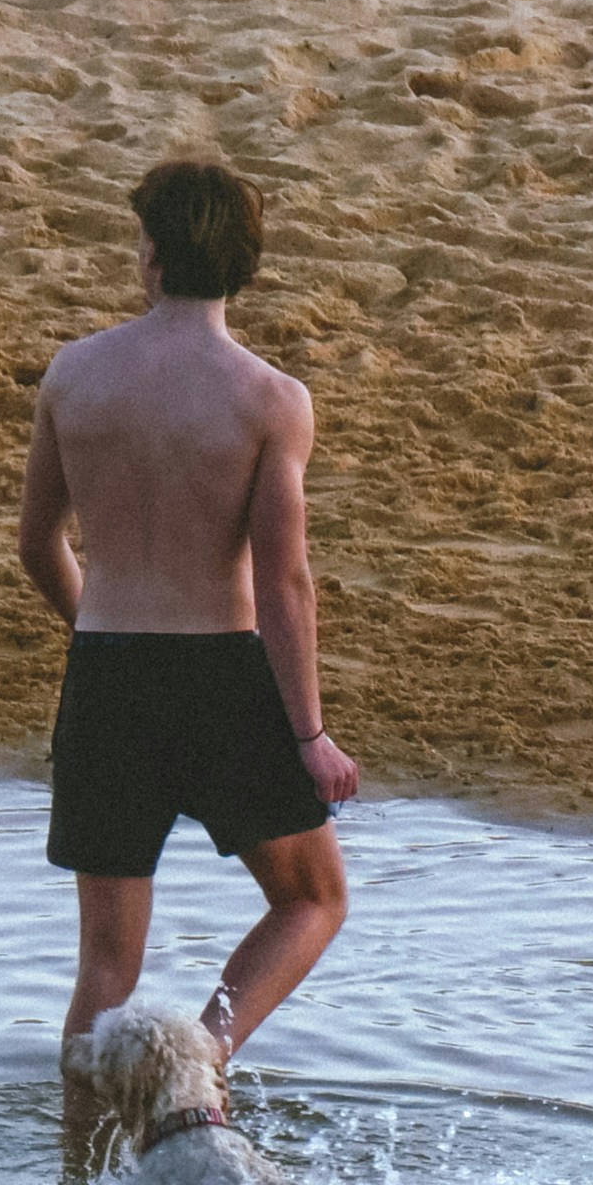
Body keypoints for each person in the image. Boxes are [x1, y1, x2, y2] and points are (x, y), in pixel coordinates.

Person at [20, 158, 358, 1113]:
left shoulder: (76, 374)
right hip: (222, 678)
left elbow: (36, 544)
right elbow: (282, 579)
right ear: (245, 265)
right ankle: (204, 1054)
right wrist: (309, 734)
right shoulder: (268, 399)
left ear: (152, 254)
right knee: (311, 898)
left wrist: (94, 629)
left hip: (108, 674)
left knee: (105, 966)